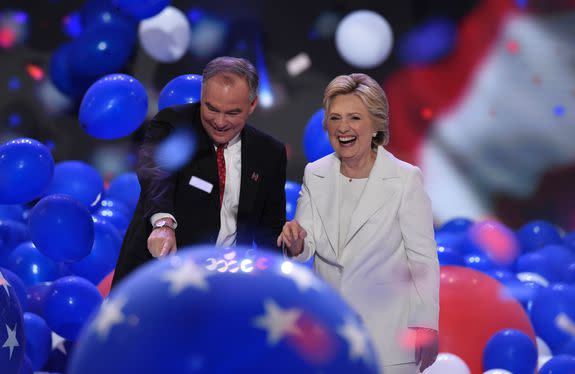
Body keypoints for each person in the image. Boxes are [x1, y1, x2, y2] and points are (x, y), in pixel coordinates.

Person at [277, 73, 439, 373]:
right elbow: (305, 243)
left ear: (376, 124)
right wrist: (296, 240)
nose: (343, 127)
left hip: (388, 342)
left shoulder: (405, 179)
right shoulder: (316, 173)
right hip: (331, 338)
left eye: (354, 117)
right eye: (335, 118)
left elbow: (423, 259)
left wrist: (426, 325)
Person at [113, 56, 286, 285]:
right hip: (159, 279)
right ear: (202, 96)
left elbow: (269, 231)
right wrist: (163, 225)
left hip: (223, 286)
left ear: (252, 104)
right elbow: (156, 175)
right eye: (211, 108)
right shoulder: (173, 124)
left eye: (233, 112)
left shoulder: (269, 152)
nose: (220, 122)